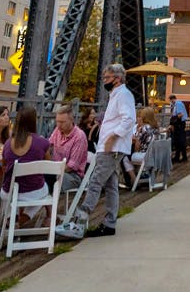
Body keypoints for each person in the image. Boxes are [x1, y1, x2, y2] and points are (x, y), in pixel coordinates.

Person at [58, 63, 136, 239]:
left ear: (117, 79)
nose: (105, 81)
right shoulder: (117, 95)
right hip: (109, 147)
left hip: (111, 148)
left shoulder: (123, 95)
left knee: (95, 182)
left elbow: (129, 119)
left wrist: (112, 137)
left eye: (107, 78)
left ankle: (79, 222)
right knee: (110, 185)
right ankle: (109, 223)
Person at [0, 107, 52, 227]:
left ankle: (8, 218)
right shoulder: (42, 142)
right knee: (43, 193)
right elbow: (48, 166)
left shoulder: (8, 143)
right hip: (33, 191)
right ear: (34, 122)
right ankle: (21, 220)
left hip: (10, 192)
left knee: (8, 194)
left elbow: (3, 167)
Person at [48, 104, 88, 191]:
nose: (58, 125)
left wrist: (50, 170)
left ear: (71, 120)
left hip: (72, 176)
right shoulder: (58, 130)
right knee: (37, 176)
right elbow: (48, 145)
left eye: (62, 122)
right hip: (57, 170)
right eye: (57, 121)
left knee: (47, 179)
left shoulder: (79, 136)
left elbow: (71, 167)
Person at [124, 106, 158, 189]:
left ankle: (135, 181)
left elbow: (137, 144)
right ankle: (140, 178)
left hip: (145, 156)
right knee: (130, 157)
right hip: (155, 155)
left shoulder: (144, 128)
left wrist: (135, 152)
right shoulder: (156, 128)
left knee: (125, 158)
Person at [169, 94, 189, 163]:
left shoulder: (178, 103)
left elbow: (180, 114)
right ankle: (178, 156)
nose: (171, 102)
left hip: (179, 124)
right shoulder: (176, 104)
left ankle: (183, 156)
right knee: (178, 141)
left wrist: (172, 121)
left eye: (171, 100)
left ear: (172, 99)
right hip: (178, 124)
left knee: (180, 140)